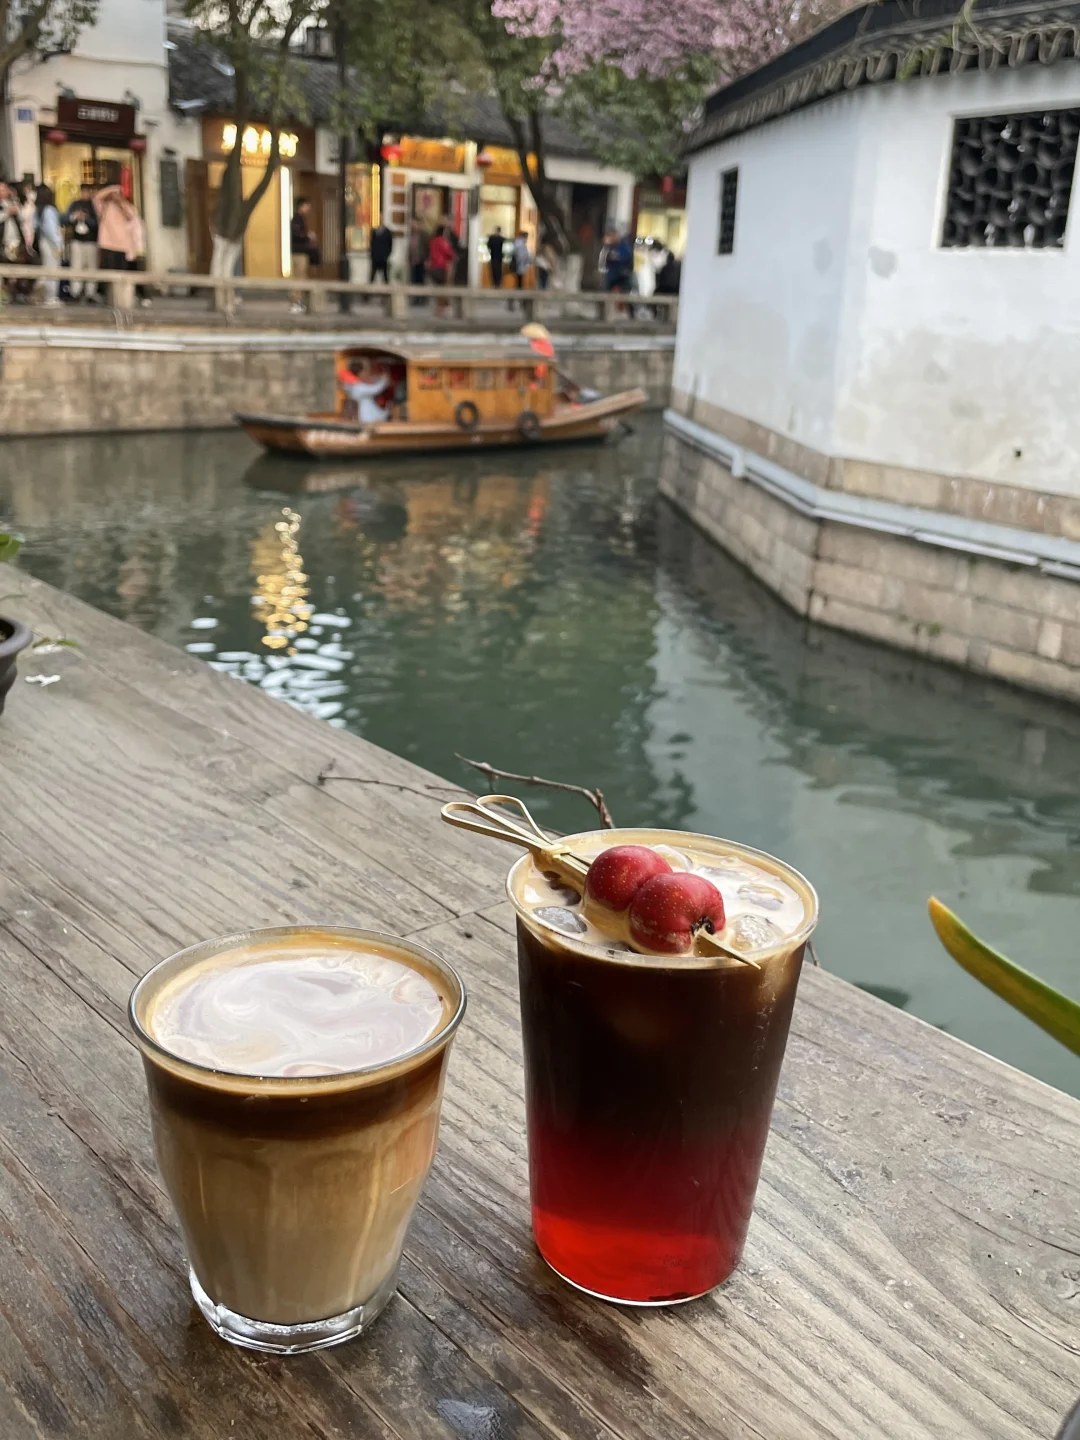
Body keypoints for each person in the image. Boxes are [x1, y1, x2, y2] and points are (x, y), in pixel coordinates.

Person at [64, 183, 99, 301]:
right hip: (77, 240)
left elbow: (98, 223)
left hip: (91, 241)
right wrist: (75, 216)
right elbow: (65, 218)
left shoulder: (94, 205)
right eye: (84, 191)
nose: (85, 194)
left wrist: (87, 219)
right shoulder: (74, 204)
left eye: (87, 191)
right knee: (76, 266)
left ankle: (90, 293)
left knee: (91, 267)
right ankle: (75, 291)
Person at [94, 182, 138, 271]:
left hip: (123, 247)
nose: (116, 195)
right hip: (108, 246)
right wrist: (112, 189)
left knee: (123, 273)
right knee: (109, 273)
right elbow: (96, 198)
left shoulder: (127, 205)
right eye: (114, 194)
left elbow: (131, 216)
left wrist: (120, 202)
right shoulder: (104, 206)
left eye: (118, 193)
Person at [289, 197, 319, 313]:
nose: (308, 208)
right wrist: (308, 236)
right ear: (301, 206)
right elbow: (297, 235)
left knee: (302, 278)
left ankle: (299, 302)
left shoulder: (301, 219)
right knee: (299, 278)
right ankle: (295, 302)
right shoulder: (297, 219)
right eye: (307, 205)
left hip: (301, 252)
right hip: (299, 253)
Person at [34, 184, 62, 306]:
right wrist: (58, 245)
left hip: (43, 241)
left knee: (46, 267)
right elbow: (51, 230)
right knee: (53, 269)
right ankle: (51, 297)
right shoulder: (50, 210)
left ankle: (41, 293)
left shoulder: (38, 210)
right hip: (51, 243)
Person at [426, 223, 455, 316]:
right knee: (445, 289)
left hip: (433, 268)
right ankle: (442, 309)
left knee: (438, 289)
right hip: (442, 267)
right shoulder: (442, 241)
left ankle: (438, 309)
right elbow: (449, 253)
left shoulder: (432, 241)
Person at [602, 227, 634, 293]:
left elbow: (626, 260)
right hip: (611, 278)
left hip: (621, 279)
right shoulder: (610, 247)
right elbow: (606, 261)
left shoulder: (625, 247)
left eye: (612, 236)